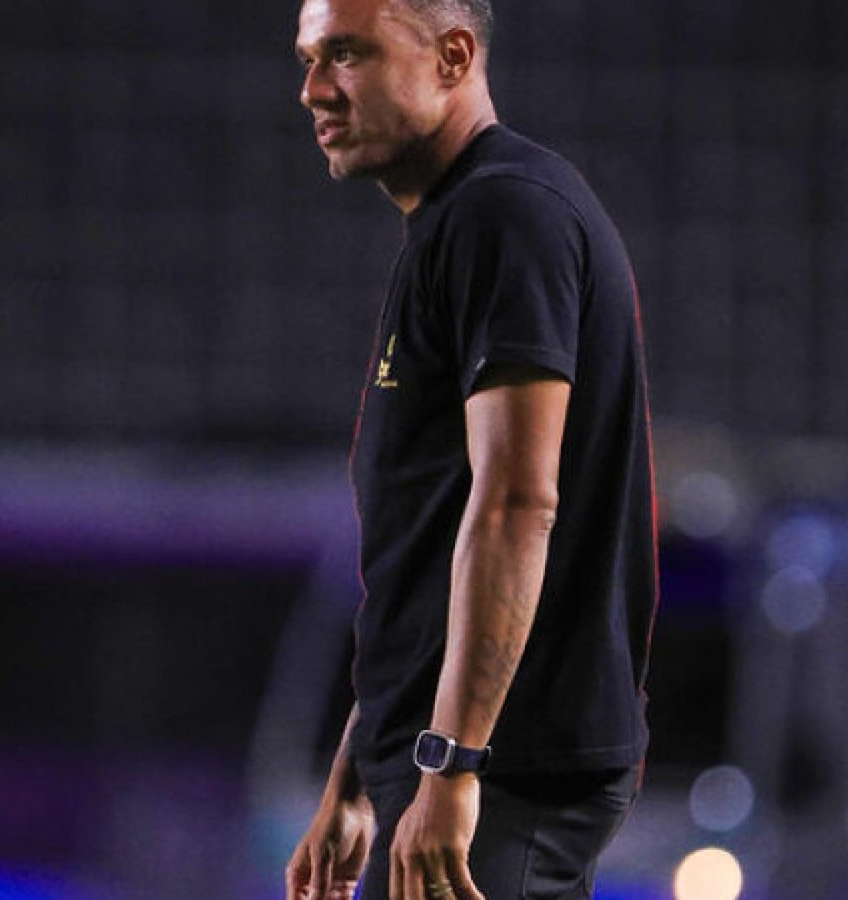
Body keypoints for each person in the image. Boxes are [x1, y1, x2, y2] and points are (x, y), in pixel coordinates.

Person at [286, 0, 657, 897]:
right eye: (307, 59)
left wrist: (454, 765)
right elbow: (430, 543)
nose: (313, 91)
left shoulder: (507, 217)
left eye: (347, 54)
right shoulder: (457, 222)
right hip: (448, 763)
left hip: (502, 772)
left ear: (453, 56)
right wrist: (358, 774)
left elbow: (516, 502)